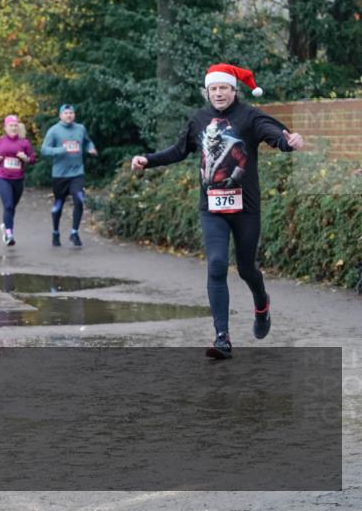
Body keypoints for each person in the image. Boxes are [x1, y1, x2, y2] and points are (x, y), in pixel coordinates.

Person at [130, 64, 305, 359]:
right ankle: (222, 336)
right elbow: (178, 150)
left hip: (245, 207)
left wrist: (288, 143)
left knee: (247, 268)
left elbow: (272, 133)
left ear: (233, 90)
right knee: (217, 264)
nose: (218, 93)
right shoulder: (199, 119)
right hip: (211, 207)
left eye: (224, 88)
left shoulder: (249, 116)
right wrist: (147, 160)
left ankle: (262, 305)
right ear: (207, 91)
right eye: (213, 89)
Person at [40, 104, 98, 247]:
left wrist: (90, 148)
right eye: (65, 113)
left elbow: (87, 142)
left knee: (79, 199)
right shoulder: (54, 131)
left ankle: (74, 232)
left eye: (71, 113)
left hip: (77, 173)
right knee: (58, 205)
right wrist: (60, 150)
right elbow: (44, 150)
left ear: (74, 115)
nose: (69, 115)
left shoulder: (80, 129)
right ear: (60, 116)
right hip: (60, 175)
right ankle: (55, 232)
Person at [0, 115, 37, 245]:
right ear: (5, 128)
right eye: (11, 125)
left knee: (12, 207)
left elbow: (33, 159)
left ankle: (6, 226)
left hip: (18, 179)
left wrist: (25, 158)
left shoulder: (24, 143)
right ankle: (9, 234)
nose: (13, 128)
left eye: (15, 125)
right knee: (8, 205)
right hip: (3, 178)